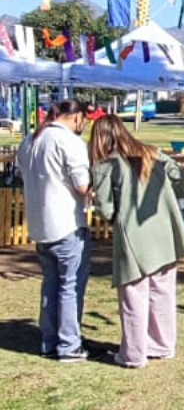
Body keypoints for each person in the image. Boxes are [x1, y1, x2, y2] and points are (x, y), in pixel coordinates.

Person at [88, 114, 184, 368]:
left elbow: (104, 208)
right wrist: (174, 202)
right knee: (163, 291)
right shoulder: (153, 153)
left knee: (133, 295)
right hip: (166, 232)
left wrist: (116, 217)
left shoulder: (105, 166)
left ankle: (134, 354)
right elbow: (183, 181)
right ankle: (162, 344)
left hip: (134, 236)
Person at [18, 100, 92, 362]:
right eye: (86, 119)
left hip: (40, 224)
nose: (86, 125)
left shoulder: (30, 140)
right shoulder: (70, 142)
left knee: (51, 283)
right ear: (76, 117)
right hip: (66, 223)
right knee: (69, 286)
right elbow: (82, 185)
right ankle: (69, 344)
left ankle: (49, 340)